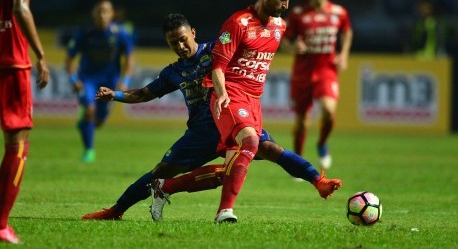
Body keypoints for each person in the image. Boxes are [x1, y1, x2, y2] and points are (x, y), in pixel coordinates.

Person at [81, 13, 341, 222]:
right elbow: (143, 93)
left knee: (271, 149)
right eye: (174, 43)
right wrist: (114, 94)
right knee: (160, 171)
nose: (181, 47)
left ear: (193, 32)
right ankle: (116, 211)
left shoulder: (216, 50)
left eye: (183, 39)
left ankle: (318, 181)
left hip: (231, 117)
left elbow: (249, 49)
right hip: (201, 132)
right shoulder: (173, 72)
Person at [202, 0, 298, 223]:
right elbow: (218, 67)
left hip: (254, 101)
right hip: (231, 95)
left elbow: (264, 52)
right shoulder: (238, 23)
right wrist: (221, 94)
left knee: (232, 165)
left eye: (289, 0)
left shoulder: (280, 26)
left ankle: (165, 186)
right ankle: (225, 212)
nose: (286, 5)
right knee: (252, 144)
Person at [281, 0, 353, 170]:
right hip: (303, 73)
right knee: (302, 123)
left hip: (326, 70)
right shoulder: (298, 13)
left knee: (329, 112)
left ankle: (321, 143)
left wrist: (344, 54)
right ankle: (297, 161)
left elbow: (347, 32)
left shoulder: (339, 12)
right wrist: (293, 47)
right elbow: (284, 40)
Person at [0, 0, 50, 244]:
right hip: (10, 63)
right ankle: (1, 224)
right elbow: (20, 7)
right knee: (17, 144)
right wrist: (41, 55)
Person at [65, 0, 135, 163]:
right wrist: (74, 79)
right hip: (87, 79)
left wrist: (125, 81)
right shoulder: (84, 33)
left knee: (99, 120)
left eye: (106, 11)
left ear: (112, 14)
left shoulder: (121, 34)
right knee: (90, 110)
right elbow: (69, 60)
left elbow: (130, 59)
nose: (102, 15)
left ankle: (84, 125)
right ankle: (89, 151)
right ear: (93, 14)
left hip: (110, 81)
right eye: (99, 11)